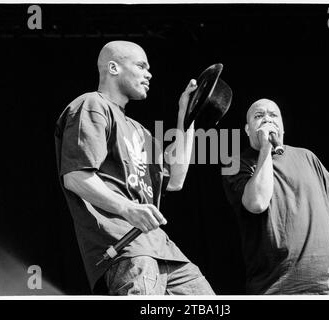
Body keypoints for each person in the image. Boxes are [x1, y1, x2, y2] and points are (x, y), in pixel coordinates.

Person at [54, 40, 215, 295]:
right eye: (141, 65)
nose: (149, 73)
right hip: (124, 248)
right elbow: (75, 176)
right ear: (113, 68)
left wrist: (188, 116)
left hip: (163, 250)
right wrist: (128, 208)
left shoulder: (141, 131)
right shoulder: (92, 104)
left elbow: (176, 179)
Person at [222, 98, 329, 295]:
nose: (267, 119)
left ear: (283, 127)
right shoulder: (235, 164)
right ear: (248, 130)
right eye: (259, 116)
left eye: (273, 115)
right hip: (281, 288)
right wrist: (266, 149)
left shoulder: (307, 157)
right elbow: (257, 203)